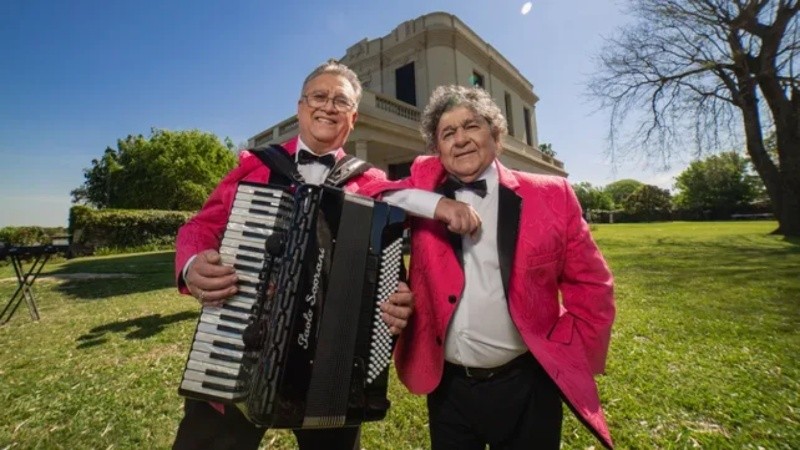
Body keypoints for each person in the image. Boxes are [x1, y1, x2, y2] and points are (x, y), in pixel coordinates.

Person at [172, 60, 478, 450]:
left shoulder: (372, 183)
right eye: (319, 96)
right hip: (237, 346)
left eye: (341, 101)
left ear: (353, 118)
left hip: (331, 367)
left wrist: (398, 297)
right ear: (301, 107)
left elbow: (384, 261)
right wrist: (192, 264)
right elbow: (201, 227)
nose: (328, 106)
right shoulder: (256, 166)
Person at [359, 85, 616, 449]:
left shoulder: (552, 194)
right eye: (448, 133)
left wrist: (574, 358)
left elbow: (592, 286)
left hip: (529, 385)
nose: (460, 139)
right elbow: (369, 193)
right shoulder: (426, 189)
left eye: (471, 126)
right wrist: (437, 206)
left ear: (496, 135)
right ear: (438, 150)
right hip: (449, 389)